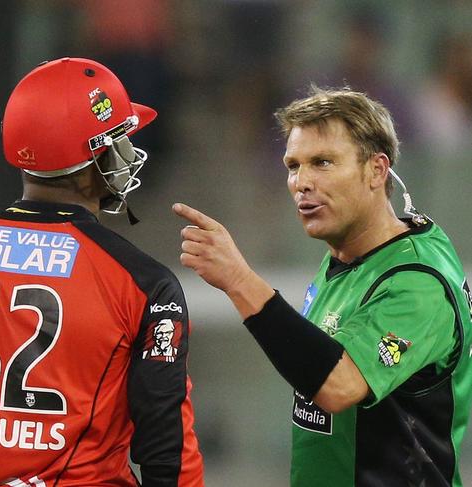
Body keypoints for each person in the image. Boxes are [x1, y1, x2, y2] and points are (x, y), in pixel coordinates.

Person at [0, 57, 204, 486]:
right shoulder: (141, 283)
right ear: (96, 157)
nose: (128, 152)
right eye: (120, 138)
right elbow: (167, 449)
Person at [173, 86, 472, 486]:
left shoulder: (417, 283)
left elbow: (338, 386)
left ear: (376, 170)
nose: (302, 182)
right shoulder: (348, 253)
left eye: (323, 162)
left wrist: (239, 280)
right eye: (293, 165)